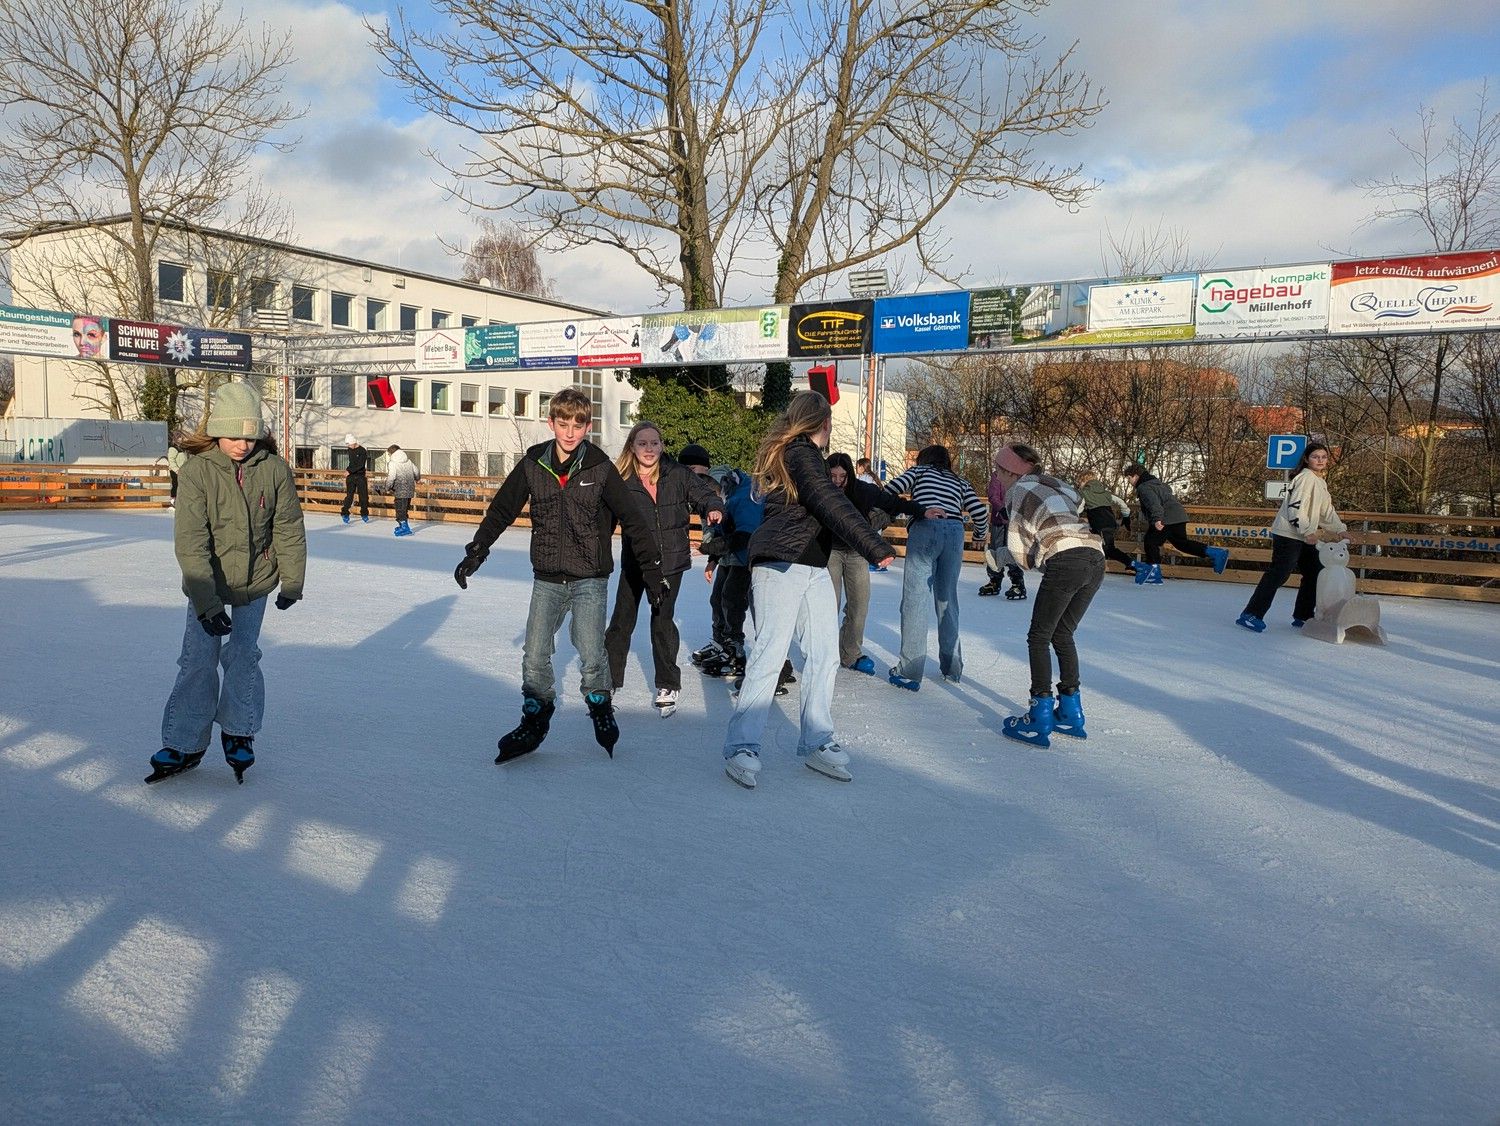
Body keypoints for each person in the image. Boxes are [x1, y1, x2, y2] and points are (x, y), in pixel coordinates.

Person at [453, 388, 668, 762]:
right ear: (551, 423)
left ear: (587, 426)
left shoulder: (600, 467)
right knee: (534, 654)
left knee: (590, 652)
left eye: (578, 424)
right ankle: (535, 718)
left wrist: (652, 573)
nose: (570, 432)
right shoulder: (534, 463)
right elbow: (502, 510)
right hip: (548, 578)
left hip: (589, 578)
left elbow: (634, 521)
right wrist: (477, 550)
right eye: (563, 423)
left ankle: (600, 708)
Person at [722, 392, 894, 789]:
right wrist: (873, 544)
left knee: (824, 654)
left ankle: (817, 740)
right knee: (770, 652)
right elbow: (827, 500)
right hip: (781, 563)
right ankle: (741, 746)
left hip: (813, 565)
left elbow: (826, 504)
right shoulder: (800, 453)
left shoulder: (800, 456)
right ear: (823, 423)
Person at [146, 382, 306, 785]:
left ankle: (239, 729)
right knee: (198, 660)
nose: (242, 445)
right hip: (209, 583)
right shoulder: (199, 471)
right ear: (217, 431)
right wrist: (206, 603)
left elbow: (287, 526)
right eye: (234, 435)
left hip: (257, 580)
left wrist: (293, 580)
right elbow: (191, 542)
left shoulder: (273, 469)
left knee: (243, 655)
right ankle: (184, 741)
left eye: (250, 436)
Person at [604, 426, 723, 717]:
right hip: (636, 562)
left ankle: (667, 683)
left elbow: (705, 493)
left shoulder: (677, 474)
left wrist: (713, 506)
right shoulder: (621, 479)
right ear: (632, 446)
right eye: (642, 443)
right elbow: (603, 518)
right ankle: (608, 680)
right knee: (622, 620)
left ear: (662, 445)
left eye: (654, 443)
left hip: (670, 562)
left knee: (662, 621)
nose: (648, 449)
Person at [993, 443, 1104, 749]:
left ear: (1009, 471)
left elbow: (1020, 551)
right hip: (1095, 557)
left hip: (1066, 558)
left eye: (998, 470)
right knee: (1063, 633)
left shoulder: (1018, 491)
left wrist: (1000, 557)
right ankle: (1070, 712)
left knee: (1039, 636)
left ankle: (1039, 715)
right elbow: (1076, 508)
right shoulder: (1058, 485)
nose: (996, 476)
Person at [883, 445, 989, 690]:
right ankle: (952, 668)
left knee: (915, 600)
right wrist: (979, 536)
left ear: (923, 459)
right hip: (954, 532)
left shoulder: (919, 472)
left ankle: (909, 671)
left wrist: (904, 509)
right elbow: (979, 514)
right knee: (947, 599)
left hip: (925, 528)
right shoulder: (960, 481)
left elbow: (890, 491)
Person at [825, 451, 935, 673]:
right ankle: (823, 654)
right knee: (828, 606)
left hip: (857, 552)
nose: (837, 481)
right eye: (833, 476)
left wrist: (922, 510)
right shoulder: (821, 491)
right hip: (830, 553)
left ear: (850, 475)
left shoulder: (863, 491)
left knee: (859, 605)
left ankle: (850, 654)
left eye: (842, 476)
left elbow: (892, 502)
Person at [1237, 441, 1348, 632]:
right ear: (1306, 459)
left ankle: (1303, 616)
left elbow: (1326, 511)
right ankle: (1251, 613)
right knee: (1279, 573)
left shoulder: (1319, 481)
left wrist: (1339, 529)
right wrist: (1307, 531)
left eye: (1323, 457)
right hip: (1289, 534)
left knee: (1314, 572)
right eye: (1315, 457)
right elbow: (1294, 508)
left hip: (1305, 536)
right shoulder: (1305, 478)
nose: (1320, 460)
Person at [1120, 463, 1228, 584]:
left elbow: (1154, 504)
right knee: (1182, 544)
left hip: (1167, 517)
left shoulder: (1144, 487)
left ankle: (1154, 573)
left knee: (1150, 542)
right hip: (1178, 515)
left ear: (1135, 476)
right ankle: (1216, 553)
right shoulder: (1156, 483)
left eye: (1129, 478)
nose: (1129, 482)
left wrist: (1157, 519)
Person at [979, 450, 1028, 599]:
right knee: (995, 549)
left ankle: (1017, 583)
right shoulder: (996, 476)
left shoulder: (1020, 478)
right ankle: (994, 580)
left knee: (1013, 551)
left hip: (1015, 523)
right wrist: (1002, 509)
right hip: (999, 520)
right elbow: (993, 496)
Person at [1076, 470, 1137, 573]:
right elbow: (1121, 502)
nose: (1078, 485)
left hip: (1101, 525)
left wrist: (1072, 516)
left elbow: (1079, 509)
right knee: (1100, 546)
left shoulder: (1084, 493)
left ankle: (1131, 563)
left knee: (1108, 549)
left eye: (1079, 483)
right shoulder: (1105, 492)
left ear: (1084, 481)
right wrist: (1126, 515)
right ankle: (1094, 568)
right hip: (1109, 524)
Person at [385, 445, 420, 536]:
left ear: (392, 453)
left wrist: (387, 487)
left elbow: (391, 477)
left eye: (389, 454)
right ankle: (403, 525)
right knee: (404, 509)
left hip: (400, 489)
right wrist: (417, 478)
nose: (389, 456)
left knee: (400, 509)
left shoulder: (393, 463)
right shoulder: (408, 461)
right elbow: (416, 471)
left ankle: (405, 527)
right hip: (410, 489)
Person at [340, 434, 370, 523]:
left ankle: (364, 513)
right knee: (349, 496)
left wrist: (349, 471)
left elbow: (360, 465)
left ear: (354, 442)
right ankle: (345, 513)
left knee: (363, 496)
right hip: (351, 476)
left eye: (349, 444)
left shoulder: (362, 451)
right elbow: (352, 463)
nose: (348, 446)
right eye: (347, 445)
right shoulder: (350, 450)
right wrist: (349, 471)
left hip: (360, 476)